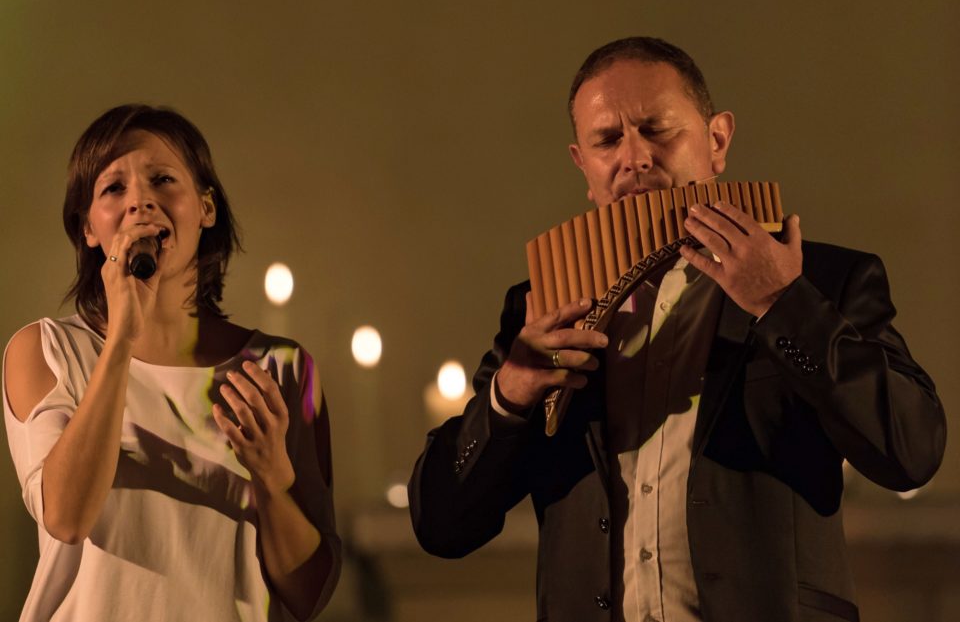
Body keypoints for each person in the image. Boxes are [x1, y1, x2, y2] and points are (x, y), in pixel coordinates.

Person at [408, 37, 946, 622]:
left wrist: (782, 304)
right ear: (583, 165)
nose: (634, 157)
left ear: (717, 141)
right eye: (607, 140)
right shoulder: (542, 308)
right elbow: (442, 525)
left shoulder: (826, 281)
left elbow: (911, 451)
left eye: (656, 129)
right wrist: (509, 396)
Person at [2, 105, 340, 621]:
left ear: (206, 208)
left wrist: (272, 478)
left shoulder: (281, 369)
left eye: (162, 179)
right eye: (114, 188)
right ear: (88, 227)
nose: (141, 201)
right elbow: (66, 518)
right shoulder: (46, 351)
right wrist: (122, 338)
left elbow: (309, 594)